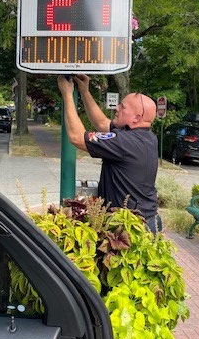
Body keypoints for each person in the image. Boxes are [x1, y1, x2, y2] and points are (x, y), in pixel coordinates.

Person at [57, 75, 162, 233]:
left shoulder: (124, 142)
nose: (117, 108)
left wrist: (67, 94)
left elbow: (76, 137)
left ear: (137, 117)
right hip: (147, 221)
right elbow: (101, 123)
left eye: (123, 107)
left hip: (131, 228)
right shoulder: (147, 137)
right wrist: (85, 90)